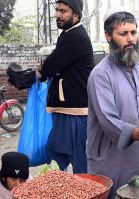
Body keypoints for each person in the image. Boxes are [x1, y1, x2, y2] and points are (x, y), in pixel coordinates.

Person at [86, 7, 139, 199]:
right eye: (123, 34)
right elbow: (109, 122)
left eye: (133, 33)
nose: (130, 39)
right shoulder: (100, 75)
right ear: (108, 36)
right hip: (111, 158)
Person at [36, 0, 94, 173]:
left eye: (63, 11)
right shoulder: (70, 33)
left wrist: (39, 73)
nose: (58, 15)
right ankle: (65, 187)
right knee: (59, 153)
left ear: (76, 14)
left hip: (74, 110)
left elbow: (51, 66)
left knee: (77, 159)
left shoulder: (75, 36)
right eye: (57, 10)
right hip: (69, 107)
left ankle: (85, 190)